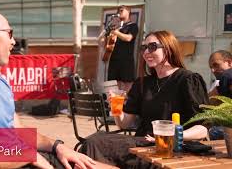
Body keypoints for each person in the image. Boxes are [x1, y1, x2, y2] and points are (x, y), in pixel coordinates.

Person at [0, 10, 116, 169]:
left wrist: (58, 147)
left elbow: (18, 132)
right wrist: (28, 155)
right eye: (9, 33)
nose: (13, 41)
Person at [80, 30, 209, 168]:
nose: (146, 52)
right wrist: (115, 107)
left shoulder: (188, 80)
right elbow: (124, 125)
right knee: (93, 141)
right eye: (144, 48)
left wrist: (173, 134)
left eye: (152, 47)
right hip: (143, 143)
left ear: (169, 48)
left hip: (172, 147)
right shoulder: (143, 83)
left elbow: (203, 129)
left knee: (96, 144)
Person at [107, 5, 138, 93]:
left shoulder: (133, 26)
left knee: (127, 84)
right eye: (118, 11)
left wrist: (116, 32)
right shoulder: (115, 26)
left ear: (128, 12)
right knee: (113, 84)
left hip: (126, 60)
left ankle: (127, 104)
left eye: (121, 10)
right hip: (114, 59)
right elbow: (104, 41)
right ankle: (115, 104)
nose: (118, 13)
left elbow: (128, 38)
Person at [207, 50, 232, 140]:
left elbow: (207, 103)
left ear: (229, 62)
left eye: (216, 65)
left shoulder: (226, 76)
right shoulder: (219, 82)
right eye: (211, 67)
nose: (213, 70)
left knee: (213, 131)